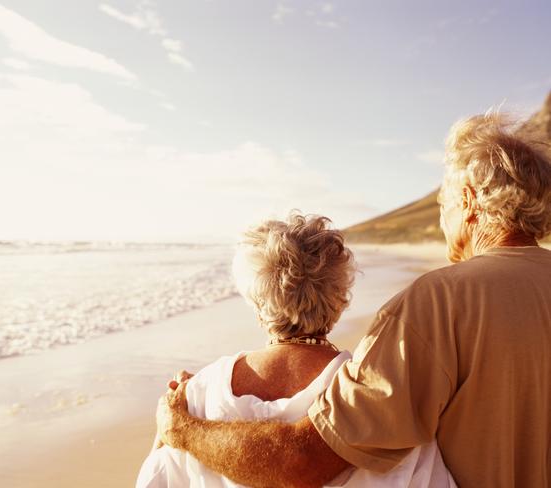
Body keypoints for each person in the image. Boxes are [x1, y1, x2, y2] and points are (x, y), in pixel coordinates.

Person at [155, 112, 551, 488]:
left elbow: (305, 461)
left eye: (441, 204)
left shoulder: (439, 301)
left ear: (466, 201)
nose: (440, 219)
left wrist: (184, 429)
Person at [139, 213, 456, 487]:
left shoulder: (193, 397)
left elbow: (156, 478)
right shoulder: (376, 396)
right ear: (339, 300)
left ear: (255, 300)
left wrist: (195, 398)